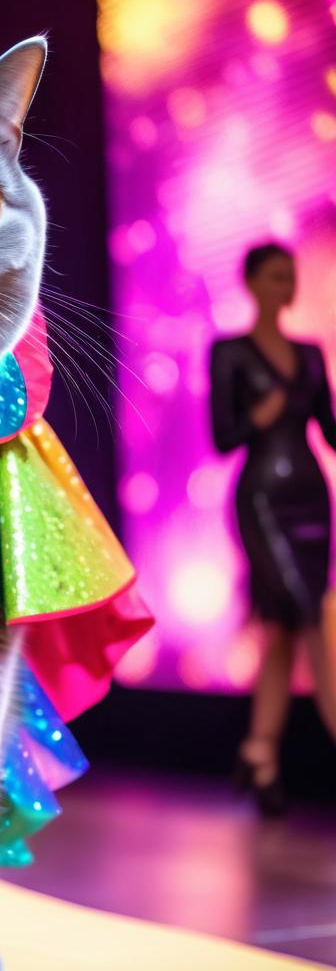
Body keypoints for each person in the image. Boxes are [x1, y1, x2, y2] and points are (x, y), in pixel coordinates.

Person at [210, 242, 336, 815]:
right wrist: (255, 419)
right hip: (261, 501)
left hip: (311, 498)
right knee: (312, 620)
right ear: (252, 282)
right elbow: (221, 438)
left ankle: (260, 752)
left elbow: (330, 432)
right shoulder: (229, 351)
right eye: (277, 276)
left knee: (286, 628)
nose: (287, 286)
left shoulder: (311, 355)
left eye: (292, 276)